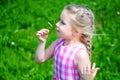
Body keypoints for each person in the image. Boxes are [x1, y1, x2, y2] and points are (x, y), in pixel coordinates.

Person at [35, 4, 99, 80]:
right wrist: (42, 42)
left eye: (62, 22)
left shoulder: (80, 54)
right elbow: (40, 59)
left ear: (75, 31)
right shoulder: (59, 43)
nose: (57, 24)